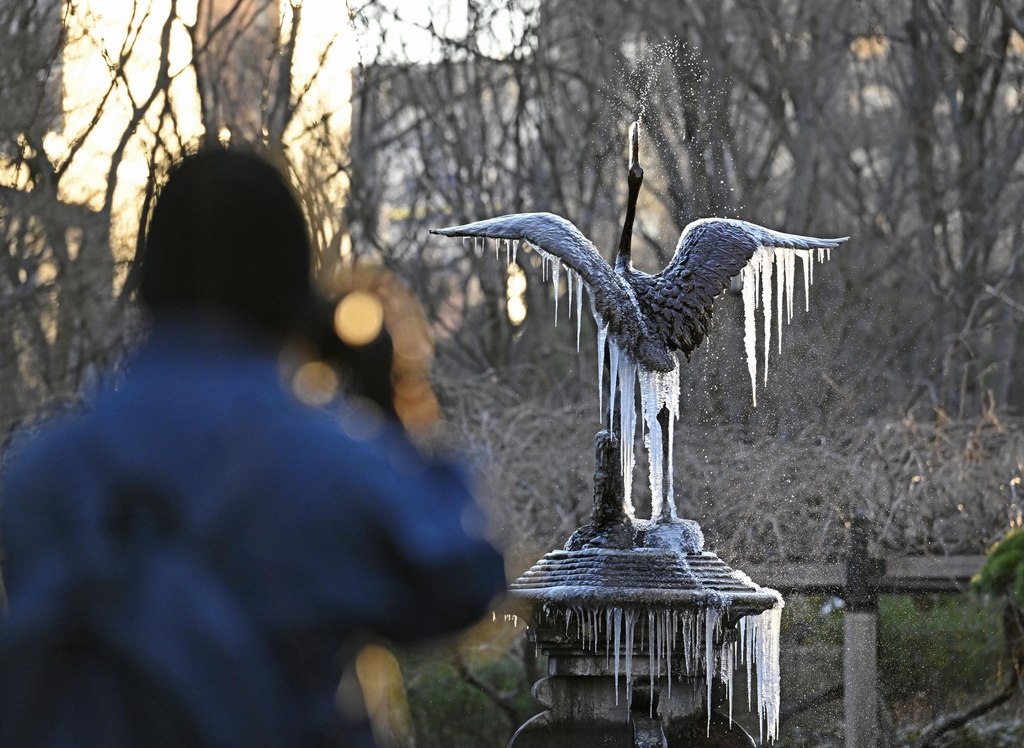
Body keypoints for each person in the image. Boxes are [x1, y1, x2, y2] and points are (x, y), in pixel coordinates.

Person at [0, 148, 506, 748]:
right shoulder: (330, 469)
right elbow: (466, 580)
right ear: (295, 295)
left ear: (150, 284)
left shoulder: (37, 476)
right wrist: (387, 399)